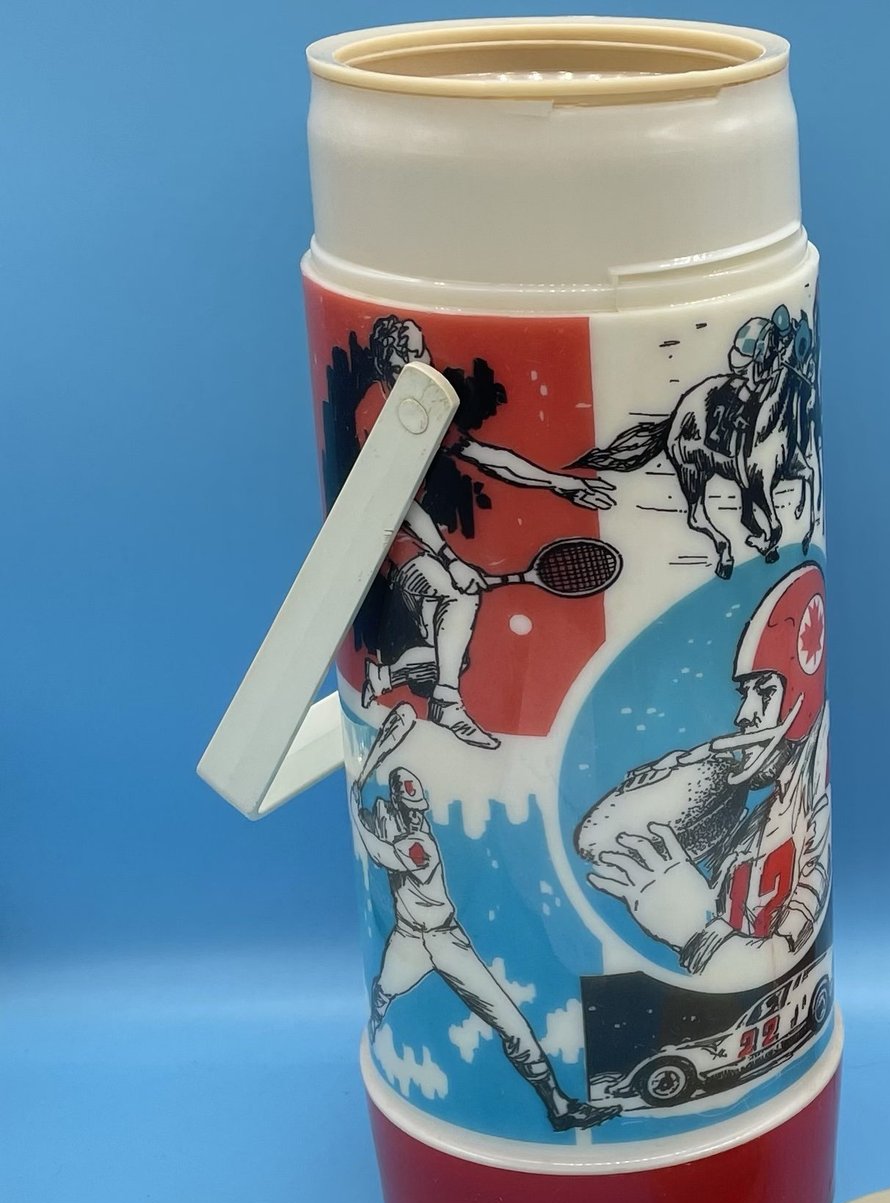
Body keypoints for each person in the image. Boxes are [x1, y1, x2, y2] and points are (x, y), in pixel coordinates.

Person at [344, 315, 615, 750]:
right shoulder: (374, 412)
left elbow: (488, 457)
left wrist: (561, 483)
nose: (424, 359)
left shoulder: (422, 402)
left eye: (422, 349)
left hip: (415, 542)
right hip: (386, 542)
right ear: (389, 361)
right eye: (411, 353)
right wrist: (452, 561)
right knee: (459, 595)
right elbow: (401, 506)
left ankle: (384, 677)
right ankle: (446, 705)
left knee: (452, 655)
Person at [587, 562, 830, 990]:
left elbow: (784, 963)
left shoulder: (814, 823)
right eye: (745, 694)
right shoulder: (748, 832)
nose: (744, 715)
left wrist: (692, 928)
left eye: (765, 691)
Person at [353, 764, 617, 1133]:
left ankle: (558, 1107)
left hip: (446, 941)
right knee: (383, 993)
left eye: (416, 803)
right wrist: (361, 803)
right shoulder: (394, 824)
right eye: (407, 802)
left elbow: (385, 854)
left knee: (512, 1025)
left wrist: (356, 809)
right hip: (408, 938)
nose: (414, 810)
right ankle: (380, 1033)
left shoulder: (418, 842)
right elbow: (380, 830)